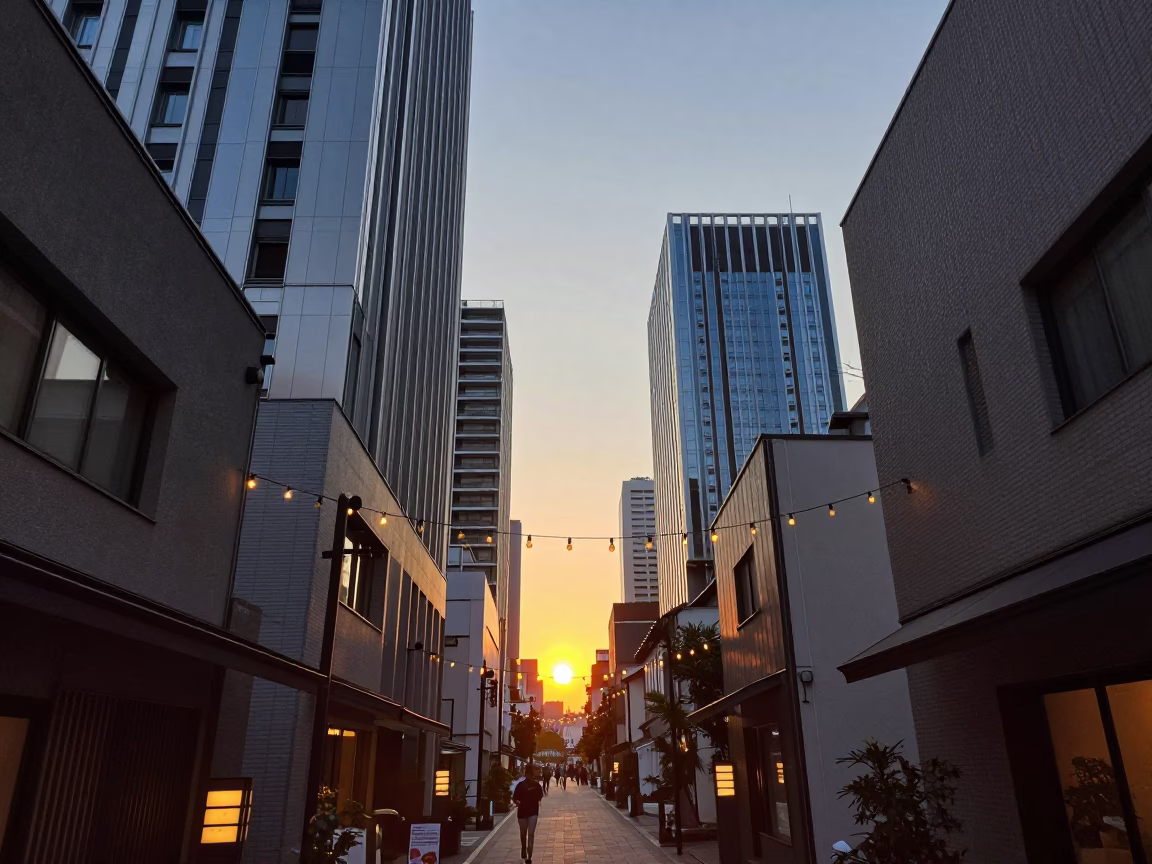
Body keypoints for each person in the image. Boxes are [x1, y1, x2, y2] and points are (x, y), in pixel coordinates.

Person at [512, 765, 544, 863]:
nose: (530, 776)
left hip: (532, 812)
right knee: (524, 833)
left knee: (530, 834)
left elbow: (540, 796)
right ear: (526, 775)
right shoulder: (521, 785)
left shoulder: (536, 785)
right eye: (529, 774)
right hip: (523, 812)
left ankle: (529, 855)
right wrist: (518, 803)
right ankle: (523, 848)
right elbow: (514, 798)